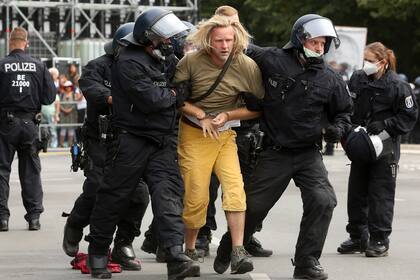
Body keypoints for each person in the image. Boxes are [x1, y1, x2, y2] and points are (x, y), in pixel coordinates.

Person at [214, 14, 353, 280]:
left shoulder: (331, 79)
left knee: (324, 201)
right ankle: (228, 246)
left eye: (324, 43)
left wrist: (339, 129)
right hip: (274, 152)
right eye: (315, 42)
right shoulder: (272, 59)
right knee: (253, 207)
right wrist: (232, 22)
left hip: (308, 154)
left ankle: (306, 263)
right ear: (299, 39)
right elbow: (240, 43)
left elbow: (344, 112)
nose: (320, 47)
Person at [85, 8, 199, 280]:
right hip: (130, 141)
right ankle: (98, 254)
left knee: (169, 196)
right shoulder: (128, 61)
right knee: (114, 196)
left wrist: (171, 93)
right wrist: (171, 93)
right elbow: (153, 99)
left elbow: (184, 89)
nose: (172, 41)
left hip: (161, 141)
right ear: (150, 37)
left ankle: (175, 255)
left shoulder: (167, 58)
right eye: (166, 36)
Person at [173, 14, 265, 274]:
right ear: (208, 41)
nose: (225, 45)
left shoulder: (246, 65)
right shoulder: (190, 61)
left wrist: (229, 115)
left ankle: (238, 251)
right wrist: (200, 115)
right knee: (196, 198)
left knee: (236, 190)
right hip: (194, 135)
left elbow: (257, 108)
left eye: (229, 40)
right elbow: (175, 99)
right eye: (219, 41)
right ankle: (189, 250)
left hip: (225, 136)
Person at [62, 22, 149, 271]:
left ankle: (123, 244)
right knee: (98, 187)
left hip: (131, 139)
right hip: (100, 138)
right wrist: (115, 98)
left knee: (139, 194)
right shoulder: (98, 65)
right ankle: (76, 223)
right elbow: (90, 87)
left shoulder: (144, 65)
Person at [337, 42, 417, 257]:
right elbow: (348, 107)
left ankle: (379, 239)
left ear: (382, 62)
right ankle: (357, 236)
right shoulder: (357, 79)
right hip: (361, 143)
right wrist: (348, 133)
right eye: (365, 59)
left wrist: (386, 124)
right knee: (356, 192)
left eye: (370, 61)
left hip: (386, 146)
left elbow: (408, 117)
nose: (366, 64)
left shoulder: (399, 86)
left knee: (380, 195)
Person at [0, 27, 56, 231]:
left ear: (10, 42)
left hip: (6, 124)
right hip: (30, 124)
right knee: (31, 171)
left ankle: (2, 218)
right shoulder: (39, 66)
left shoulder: (1, 65)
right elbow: (49, 97)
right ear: (27, 43)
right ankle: (34, 218)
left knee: (1, 170)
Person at [41, 67, 60, 148]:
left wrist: (57, 114)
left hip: (51, 113)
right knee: (44, 130)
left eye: (53, 74)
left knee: (52, 130)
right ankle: (46, 145)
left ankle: (54, 145)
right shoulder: (44, 83)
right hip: (43, 112)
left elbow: (57, 103)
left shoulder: (55, 85)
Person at [59, 80, 77, 147]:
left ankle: (70, 144)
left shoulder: (73, 94)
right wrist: (63, 110)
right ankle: (61, 144)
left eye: (69, 86)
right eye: (66, 87)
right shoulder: (62, 94)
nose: (67, 88)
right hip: (63, 114)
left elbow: (75, 104)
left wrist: (70, 110)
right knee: (63, 129)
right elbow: (59, 104)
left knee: (71, 129)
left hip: (71, 114)